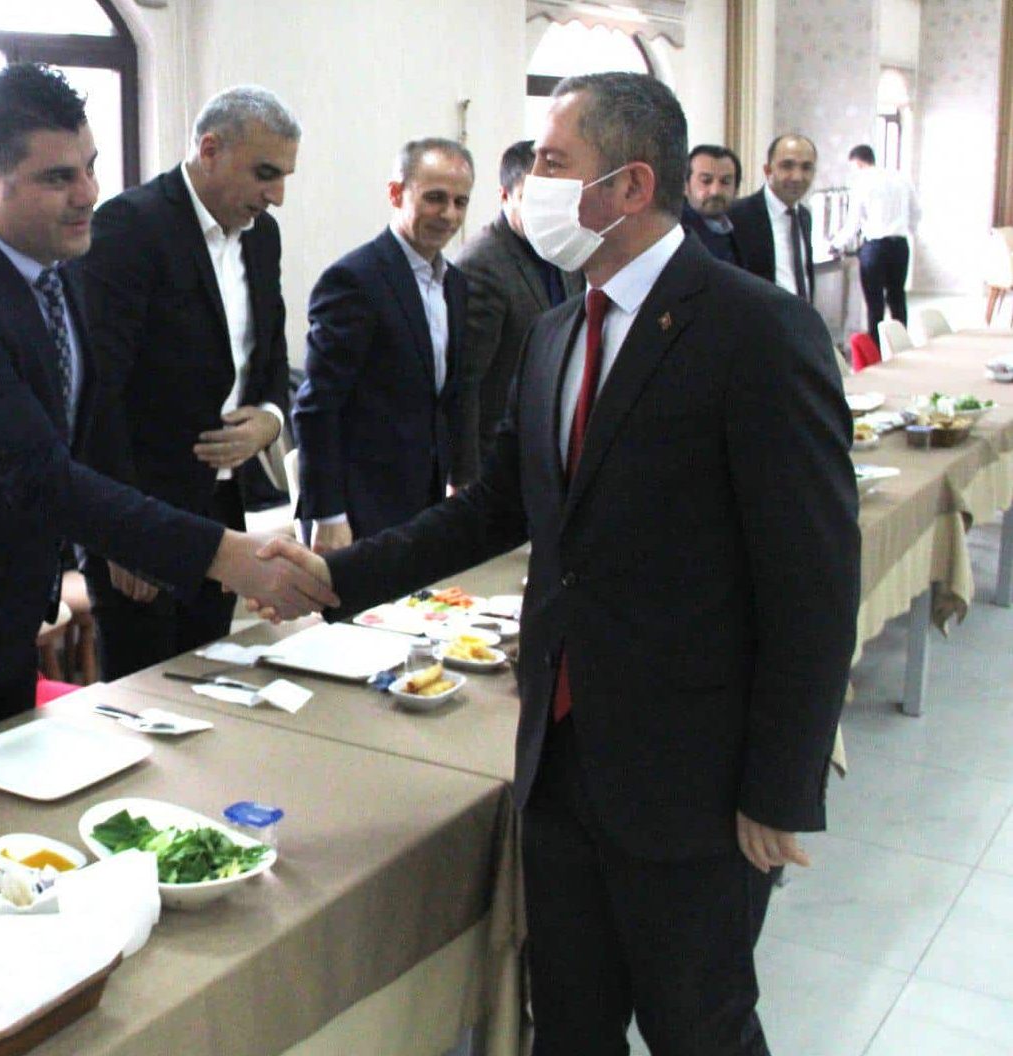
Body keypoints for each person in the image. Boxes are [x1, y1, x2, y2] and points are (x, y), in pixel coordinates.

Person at [261, 73, 859, 1054]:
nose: (530, 184)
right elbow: (497, 506)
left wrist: (780, 787)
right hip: (560, 758)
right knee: (567, 1023)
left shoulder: (753, 332)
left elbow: (814, 578)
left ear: (626, 187)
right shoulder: (556, 333)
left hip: (692, 776)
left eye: (549, 162)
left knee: (696, 1023)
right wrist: (337, 578)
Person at [0, 65, 334, 773]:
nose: (88, 194)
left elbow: (84, 424)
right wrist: (229, 556)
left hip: (0, 609)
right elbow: (41, 476)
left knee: (4, 833)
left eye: (89, 168)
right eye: (58, 178)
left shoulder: (53, 270)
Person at [72, 86, 299, 679]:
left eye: (284, 178)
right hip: (142, 505)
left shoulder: (262, 237)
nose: (276, 195)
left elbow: (271, 355)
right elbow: (100, 394)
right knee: (143, 700)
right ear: (210, 149)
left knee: (208, 682)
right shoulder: (131, 227)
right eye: (265, 173)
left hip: (220, 504)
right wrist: (121, 534)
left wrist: (270, 419)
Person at [293, 137, 473, 553]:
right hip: (359, 507)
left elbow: (451, 395)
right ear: (396, 193)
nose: (449, 215)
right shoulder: (355, 281)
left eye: (460, 202)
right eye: (435, 198)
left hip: (424, 501)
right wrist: (329, 516)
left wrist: (459, 479)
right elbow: (317, 407)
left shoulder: (456, 285)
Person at [453, 139, 582, 487]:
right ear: (506, 196)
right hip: (499, 457)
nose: (547, 213)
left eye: (556, 200)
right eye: (533, 199)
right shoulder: (481, 264)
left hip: (553, 444)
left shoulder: (564, 252)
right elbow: (466, 385)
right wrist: (465, 479)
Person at [836, 143, 918, 338]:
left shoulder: (862, 181)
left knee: (875, 303)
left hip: (875, 247)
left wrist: (836, 244)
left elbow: (853, 221)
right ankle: (901, 345)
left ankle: (876, 350)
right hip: (900, 246)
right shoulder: (901, 178)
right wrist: (906, 231)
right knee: (897, 298)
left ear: (858, 163)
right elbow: (916, 213)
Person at [731, 133, 819, 301]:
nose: (797, 177)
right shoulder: (739, 216)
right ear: (768, 170)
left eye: (806, 167)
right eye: (787, 166)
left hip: (800, 321)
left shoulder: (804, 217)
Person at [682, 143, 744, 264]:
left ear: (736, 189)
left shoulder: (744, 227)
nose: (715, 191)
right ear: (685, 185)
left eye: (725, 182)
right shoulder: (675, 233)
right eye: (706, 181)